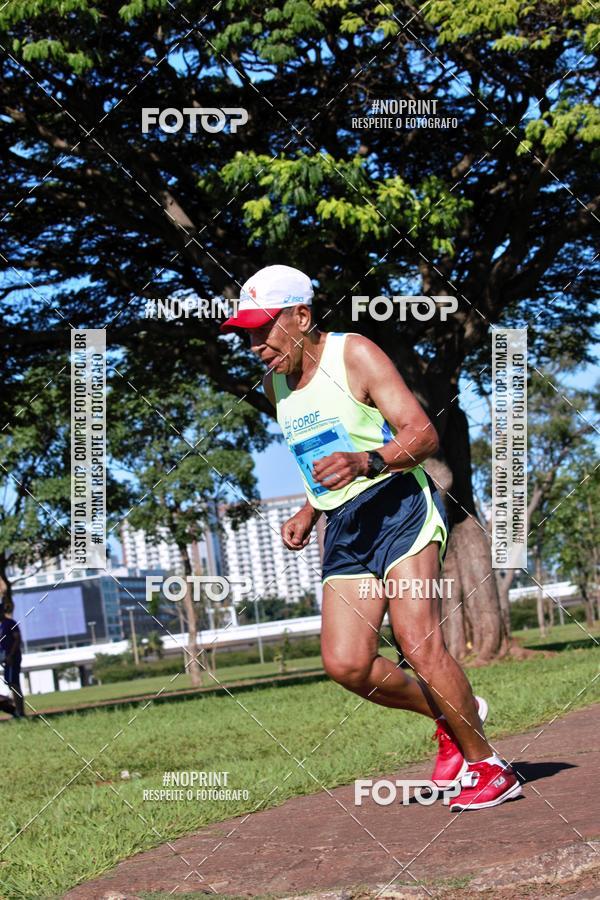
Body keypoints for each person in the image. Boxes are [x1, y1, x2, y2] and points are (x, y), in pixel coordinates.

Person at [221, 264, 523, 811]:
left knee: (418, 642)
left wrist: (367, 461)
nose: (254, 344)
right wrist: (310, 511)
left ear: (301, 316)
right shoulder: (274, 387)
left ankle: (489, 767)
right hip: (346, 525)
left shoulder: (353, 354)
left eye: (263, 328)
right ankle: (452, 713)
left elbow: (424, 434)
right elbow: (321, 456)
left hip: (399, 504)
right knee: (346, 664)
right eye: (246, 333)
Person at [0, 602, 25, 718]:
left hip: (12, 658)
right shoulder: (1, 625)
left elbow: (17, 639)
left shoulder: (10, 623)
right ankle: (17, 711)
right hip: (6, 658)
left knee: (13, 684)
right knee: (10, 683)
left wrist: (10, 655)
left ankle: (20, 712)